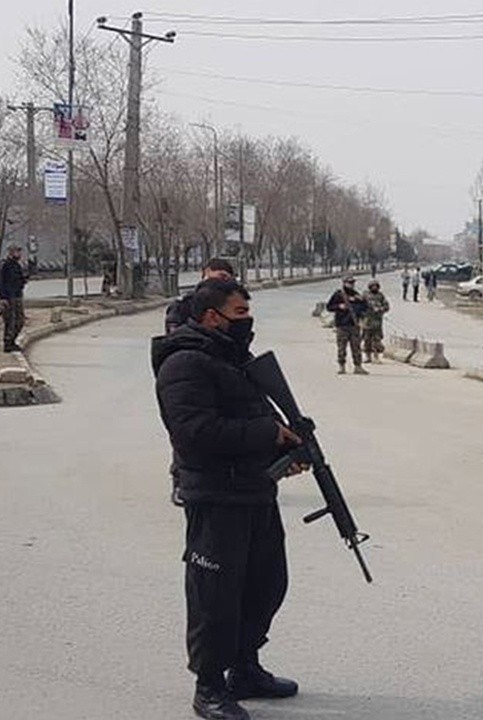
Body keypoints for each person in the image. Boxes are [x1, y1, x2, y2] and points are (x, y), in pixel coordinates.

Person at [152, 279, 303, 720]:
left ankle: (245, 667)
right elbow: (194, 433)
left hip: (254, 489)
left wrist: (284, 449)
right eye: (240, 313)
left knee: (266, 583)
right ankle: (209, 685)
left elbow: (253, 417)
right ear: (212, 317)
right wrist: (266, 434)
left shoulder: (235, 360)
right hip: (216, 495)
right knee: (215, 595)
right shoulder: (183, 364)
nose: (248, 321)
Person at [162, 258, 238, 507]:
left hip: (223, 371)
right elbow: (173, 340)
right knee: (187, 431)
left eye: (224, 277)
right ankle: (181, 480)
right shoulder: (184, 305)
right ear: (203, 274)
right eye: (214, 275)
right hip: (189, 373)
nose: (219, 280)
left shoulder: (233, 303)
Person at [166, 258, 236, 334]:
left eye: (227, 279)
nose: (221, 282)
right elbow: (173, 336)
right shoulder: (184, 304)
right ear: (207, 272)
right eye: (221, 276)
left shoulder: (231, 306)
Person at [326, 276, 369, 375]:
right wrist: (339, 306)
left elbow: (365, 307)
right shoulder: (338, 295)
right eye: (349, 283)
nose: (351, 285)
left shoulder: (357, 295)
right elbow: (329, 307)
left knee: (356, 347)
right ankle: (342, 367)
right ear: (344, 283)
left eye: (352, 283)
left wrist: (361, 301)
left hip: (354, 325)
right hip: (342, 325)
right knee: (342, 347)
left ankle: (358, 367)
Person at [1, 244, 30, 353]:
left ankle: (12, 340)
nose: (19, 254)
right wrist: (2, 297)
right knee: (10, 321)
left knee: (20, 320)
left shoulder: (17, 265)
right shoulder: (5, 265)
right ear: (11, 253)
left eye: (19, 252)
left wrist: (24, 279)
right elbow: (2, 282)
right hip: (9, 297)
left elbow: (19, 280)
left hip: (17, 295)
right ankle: (8, 343)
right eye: (17, 252)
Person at [360, 280, 390, 364]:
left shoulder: (380, 296)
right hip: (367, 322)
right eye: (373, 286)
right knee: (367, 340)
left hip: (377, 322)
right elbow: (360, 306)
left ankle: (376, 356)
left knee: (377, 340)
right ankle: (367, 356)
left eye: (376, 286)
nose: (374, 288)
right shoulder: (365, 295)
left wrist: (380, 309)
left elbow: (386, 306)